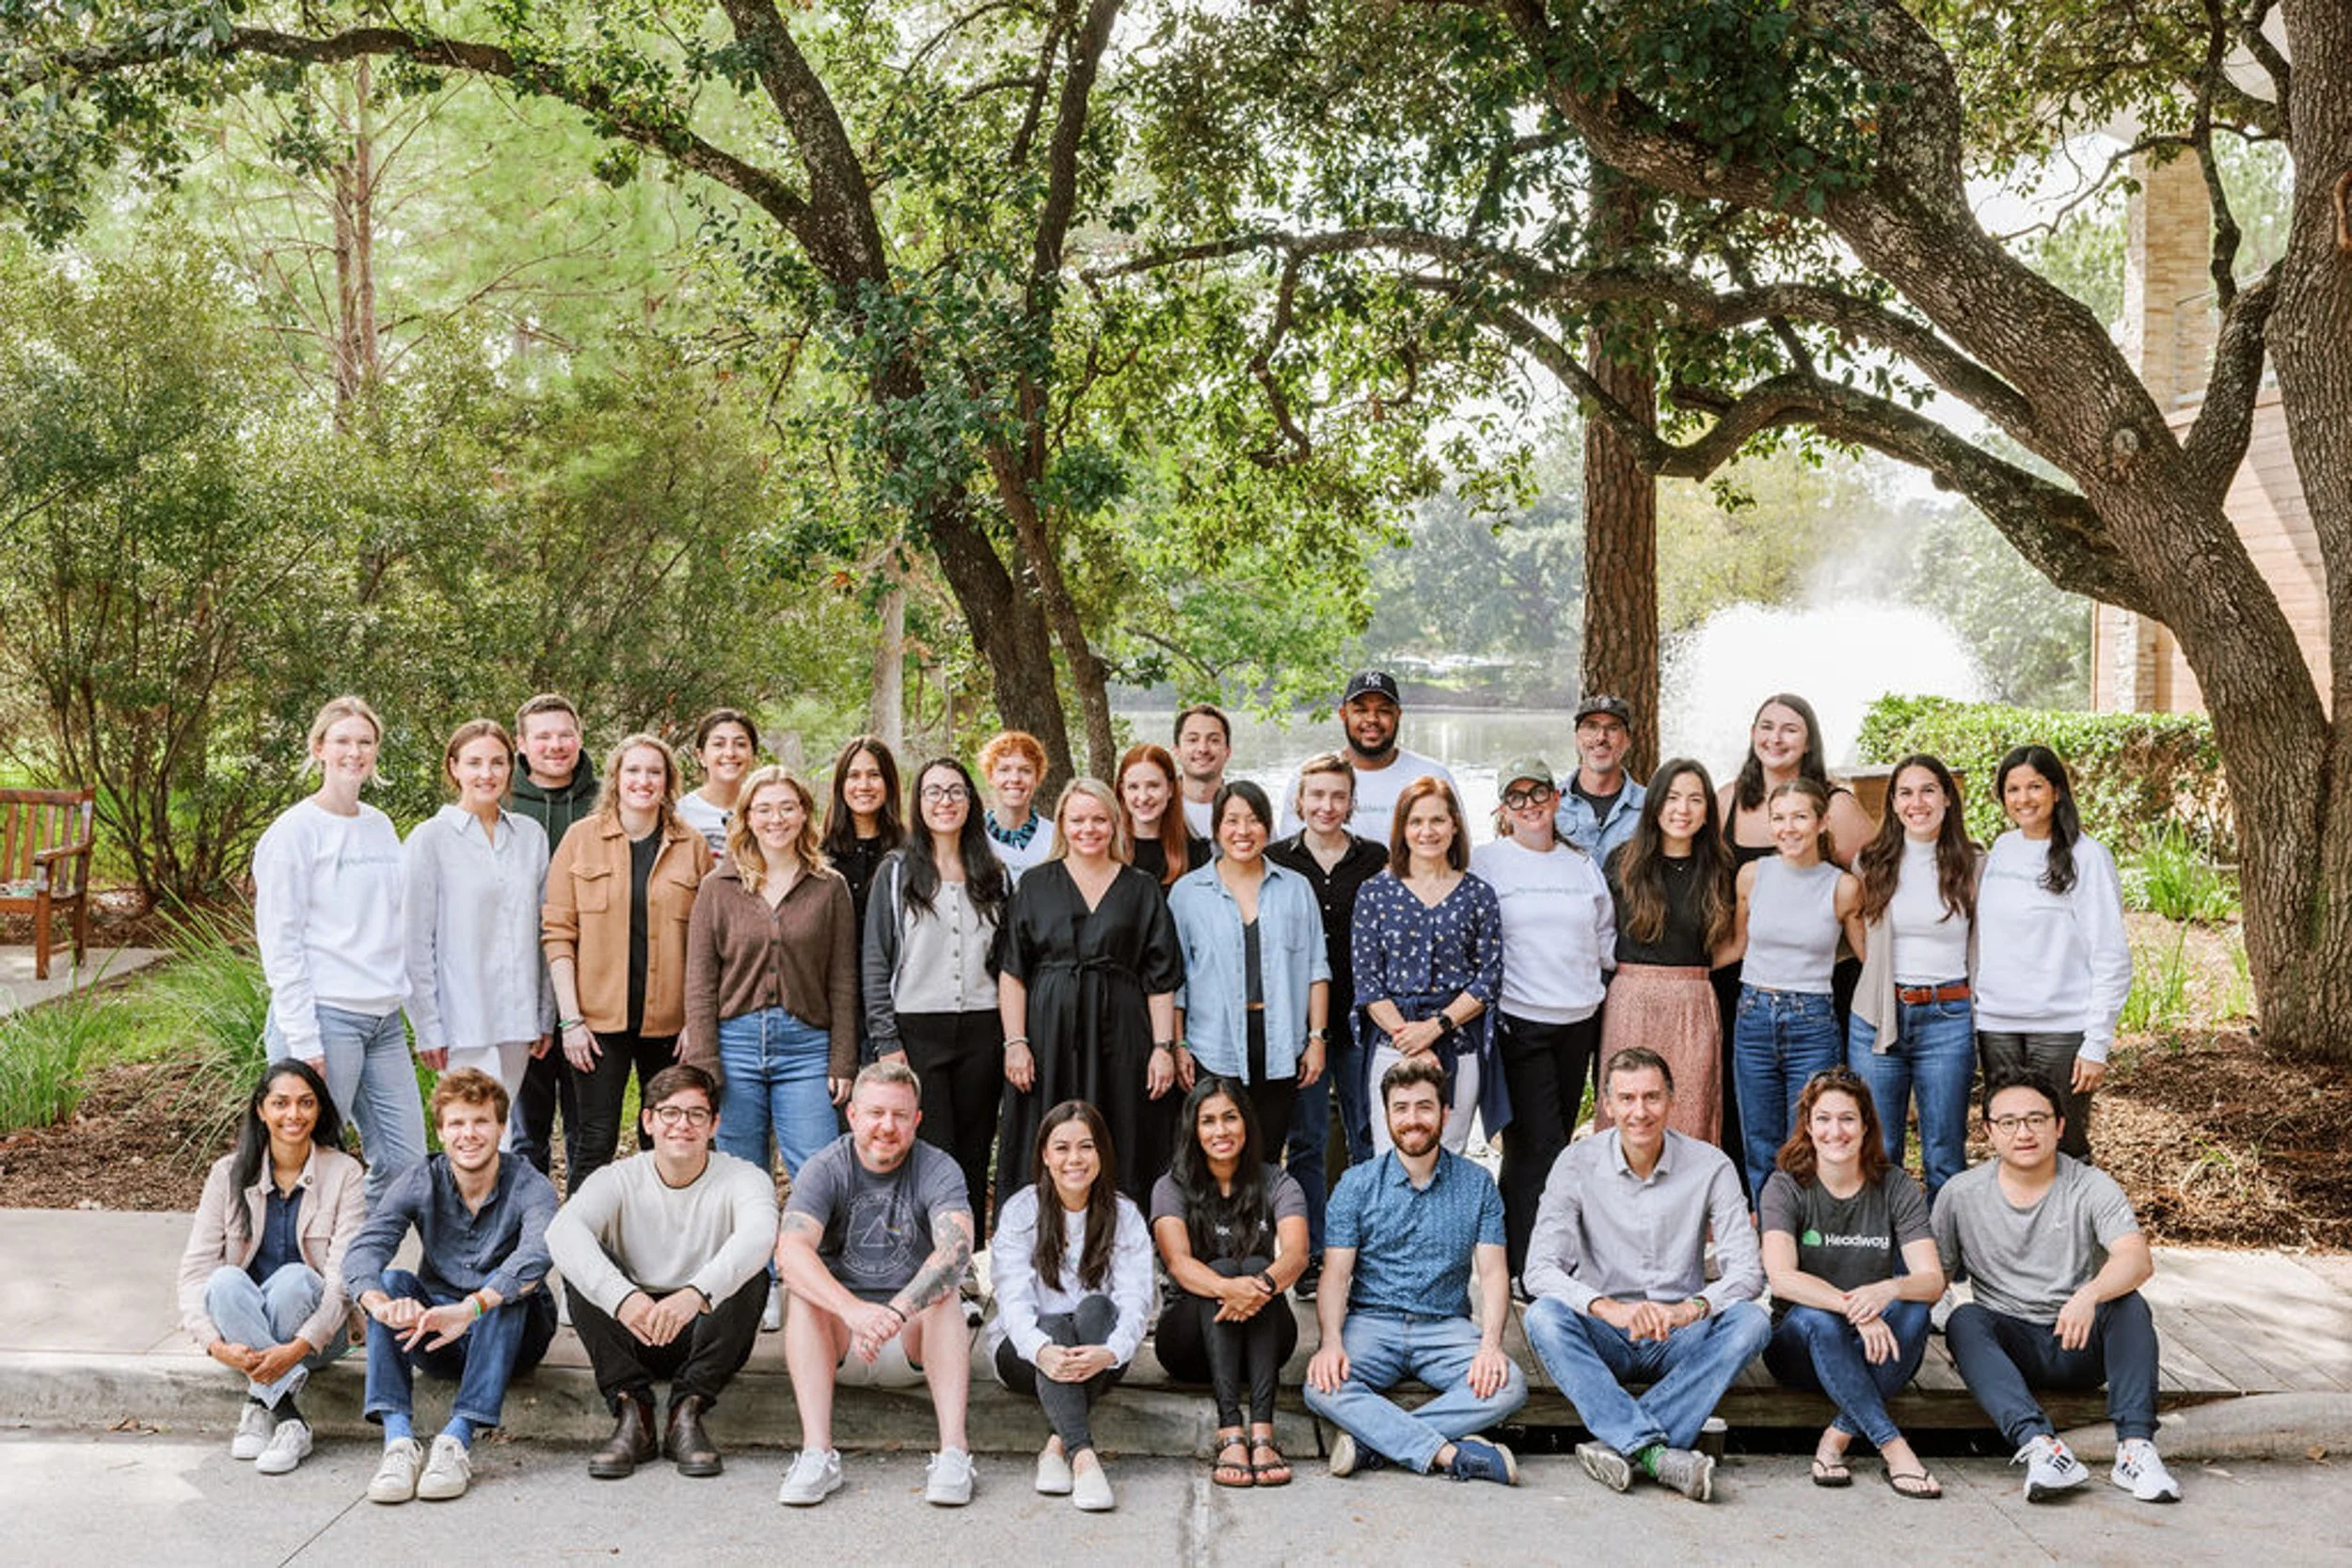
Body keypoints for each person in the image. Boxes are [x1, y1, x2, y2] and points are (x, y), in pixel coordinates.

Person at [1521, 1047, 1771, 1503]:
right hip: (1606, 1330)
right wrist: (1605, 1307)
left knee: (1752, 1322)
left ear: (1671, 1101)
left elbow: (1747, 1272)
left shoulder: (1711, 1165)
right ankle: (1654, 1453)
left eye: (1652, 1097)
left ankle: (1620, 1442)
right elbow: (1538, 1270)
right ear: (1608, 1105)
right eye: (1628, 1098)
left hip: (1680, 1334)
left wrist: (1691, 1309)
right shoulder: (1575, 1164)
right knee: (1543, 1318)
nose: (1640, 1111)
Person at [1934, 1069, 2179, 1504]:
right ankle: (2043, 1449)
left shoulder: (2090, 1185)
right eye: (2008, 1122)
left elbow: (2137, 1259)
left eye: (2036, 1119)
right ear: (1989, 1130)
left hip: (2078, 1341)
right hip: (2012, 1346)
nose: (2023, 1133)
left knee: (2129, 1305)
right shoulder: (1960, 1194)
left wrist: (2089, 1295)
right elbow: (1932, 1276)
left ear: (2059, 1125)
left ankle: (2136, 1449)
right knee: (1964, 1319)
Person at [684, 765, 856, 1331]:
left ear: (804, 813)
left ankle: (802, 1281)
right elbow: (700, 981)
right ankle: (751, 1285)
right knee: (744, 1174)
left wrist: (842, 1059)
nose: (776, 818)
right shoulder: (719, 887)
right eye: (764, 808)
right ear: (746, 816)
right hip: (734, 1042)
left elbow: (843, 980)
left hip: (807, 1044)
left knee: (813, 1168)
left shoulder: (829, 888)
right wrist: (704, 1064)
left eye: (787, 807)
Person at [545, 1064, 775, 1480]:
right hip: (632, 1328)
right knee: (583, 1265)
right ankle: (634, 1412)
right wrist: (623, 1297)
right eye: (670, 1112)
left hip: (703, 1330)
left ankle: (688, 1412)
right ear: (648, 1120)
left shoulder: (743, 1178)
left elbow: (761, 1234)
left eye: (696, 1114)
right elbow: (562, 1231)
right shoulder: (617, 1178)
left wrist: (696, 1294)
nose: (682, 1125)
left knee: (751, 1275)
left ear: (714, 1124)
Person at [1303, 1056, 1525, 1483]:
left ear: (1445, 1113)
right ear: (1386, 1117)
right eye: (1400, 1108)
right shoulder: (1356, 1184)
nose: (1412, 1119)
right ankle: (1446, 1453)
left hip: (1445, 1328)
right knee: (1320, 1384)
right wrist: (1331, 1342)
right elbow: (1335, 1276)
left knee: (1509, 1384)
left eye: (1424, 1107)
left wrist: (1491, 1345)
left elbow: (1494, 1273)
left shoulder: (1477, 1183)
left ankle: (1372, 1443)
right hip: (1372, 1324)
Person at [345, 1069, 560, 1504]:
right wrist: (380, 1305)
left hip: (512, 1337)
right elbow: (365, 1249)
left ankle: (456, 1441)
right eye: (457, 1123)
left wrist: (472, 1307)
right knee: (389, 1282)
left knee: (512, 1288)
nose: (470, 1134)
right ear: (441, 1132)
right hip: (438, 1333)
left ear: (501, 1127)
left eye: (481, 1122)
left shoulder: (530, 1184)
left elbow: (537, 1254)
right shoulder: (420, 1178)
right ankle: (399, 1443)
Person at [775, 1062, 978, 1508]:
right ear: (852, 1115)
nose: (887, 1126)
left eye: (900, 1115)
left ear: (917, 1120)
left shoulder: (938, 1168)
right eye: (876, 1113)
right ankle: (817, 1454)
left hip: (912, 1337)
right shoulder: (825, 1167)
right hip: (842, 1339)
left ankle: (953, 1452)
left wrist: (896, 1312)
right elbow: (789, 1252)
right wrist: (852, 1310)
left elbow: (956, 1250)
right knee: (805, 1296)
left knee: (944, 1296)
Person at [252, 694, 425, 1207]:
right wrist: (305, 1040)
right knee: (311, 1159)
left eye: (365, 742)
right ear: (319, 748)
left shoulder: (379, 825)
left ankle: (355, 1267)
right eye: (343, 741)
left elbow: (390, 925)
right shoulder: (294, 832)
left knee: (404, 1160)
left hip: (383, 1022)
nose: (355, 752)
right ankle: (302, 1279)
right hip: (325, 1019)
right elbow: (280, 943)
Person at [1758, 1068, 1946, 1499]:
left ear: (1866, 1125)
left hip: (1874, 1349)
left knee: (1916, 1309)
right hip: (1800, 1349)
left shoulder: (1894, 1184)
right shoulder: (1785, 1186)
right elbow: (1782, 1278)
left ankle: (1836, 1438)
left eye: (1847, 1119)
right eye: (1823, 1119)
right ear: (1808, 1125)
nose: (1835, 1131)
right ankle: (1894, 1448)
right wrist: (1853, 1308)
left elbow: (1931, 1279)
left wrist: (1889, 1290)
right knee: (1817, 1320)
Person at [997, 779, 1185, 1207]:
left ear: (1115, 823)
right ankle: (1041, 1237)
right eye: (1078, 819)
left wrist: (1162, 1048)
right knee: (1049, 1129)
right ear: (1062, 822)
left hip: (1121, 1033)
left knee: (1123, 1129)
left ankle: (1126, 1240)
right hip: (1049, 1034)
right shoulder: (1035, 883)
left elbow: (1160, 977)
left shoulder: (1141, 887)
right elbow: (1013, 972)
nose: (1089, 828)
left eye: (1099, 819)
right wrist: (1016, 1042)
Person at [176, 1059, 364, 1478]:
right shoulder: (226, 1174)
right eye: (280, 1103)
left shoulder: (344, 1173)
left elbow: (343, 1280)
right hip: (241, 1329)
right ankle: (290, 1419)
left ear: (319, 1110)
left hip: (317, 1336)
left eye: (305, 1103)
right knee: (223, 1280)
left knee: (295, 1279)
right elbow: (194, 1272)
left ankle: (260, 1405)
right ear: (261, 1110)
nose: (293, 1115)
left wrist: (297, 1347)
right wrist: (214, 1344)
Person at [543, 733, 713, 1188]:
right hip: (596, 1025)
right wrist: (570, 1021)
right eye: (633, 771)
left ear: (668, 781)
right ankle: (580, 1252)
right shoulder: (581, 840)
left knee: (667, 1140)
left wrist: (696, 1020)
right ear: (616, 779)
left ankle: (664, 1247)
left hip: (671, 1026)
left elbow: (707, 942)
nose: (643, 781)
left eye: (654, 772)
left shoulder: (691, 845)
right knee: (594, 1140)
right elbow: (558, 935)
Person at [1714, 692, 1870, 1186]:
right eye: (1766, 726)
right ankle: (1762, 1239)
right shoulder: (1734, 816)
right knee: (1753, 1134)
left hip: (1816, 1004)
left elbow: (1883, 877)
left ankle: (1805, 1237)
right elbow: (1733, 939)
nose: (1775, 738)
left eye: (1789, 729)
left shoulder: (1839, 835)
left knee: (1811, 1133)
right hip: (1750, 1002)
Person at [1471, 756, 1614, 1284]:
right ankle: (1528, 1266)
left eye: (1539, 795)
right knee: (1538, 1143)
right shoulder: (1488, 862)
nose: (1529, 806)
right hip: (1520, 1021)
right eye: (1517, 797)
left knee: (1547, 1144)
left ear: (1557, 799)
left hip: (1578, 1020)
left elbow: (1605, 941)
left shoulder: (1581, 865)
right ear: (1503, 809)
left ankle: (1533, 1258)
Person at [866, 757, 1010, 1230]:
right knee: (931, 1148)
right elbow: (876, 962)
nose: (944, 801)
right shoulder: (896, 872)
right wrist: (887, 1042)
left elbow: (1008, 960)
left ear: (970, 802)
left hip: (983, 1028)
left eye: (955, 792)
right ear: (917, 802)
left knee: (974, 1147)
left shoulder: (995, 873)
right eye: (933, 792)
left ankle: (970, 1260)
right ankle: (926, 1255)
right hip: (917, 1028)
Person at [988, 1101, 1152, 1513]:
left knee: (1097, 1308)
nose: (1074, 1159)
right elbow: (1012, 1300)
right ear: (1045, 1155)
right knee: (1054, 1327)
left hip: (1099, 1354)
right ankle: (1084, 1455)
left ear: (1101, 1153)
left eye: (1086, 1147)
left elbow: (1135, 1301)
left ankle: (1057, 1446)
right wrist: (1042, 1350)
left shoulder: (1125, 1215)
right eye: (1061, 1148)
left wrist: (1112, 1351)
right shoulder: (1022, 1211)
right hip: (1023, 1355)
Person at [1267, 752, 1391, 1287]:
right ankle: (1313, 1252)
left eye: (1338, 796)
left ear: (1351, 802)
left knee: (1368, 1136)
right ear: (1299, 801)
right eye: (1316, 795)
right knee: (1310, 1139)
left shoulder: (1375, 858)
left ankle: (1366, 1250)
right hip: (1301, 1023)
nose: (1327, 806)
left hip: (1364, 1018)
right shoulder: (1277, 859)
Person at [1152, 1078, 1311, 1489]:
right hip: (1188, 1345)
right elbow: (1179, 1263)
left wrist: (1256, 1285)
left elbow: (1295, 1256)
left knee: (1258, 1262)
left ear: (1247, 1123)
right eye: (1208, 1121)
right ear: (1193, 1129)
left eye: (1229, 1118)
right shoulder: (1171, 1186)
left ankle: (1262, 1432)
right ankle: (1229, 1429)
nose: (1220, 1131)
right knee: (1222, 1269)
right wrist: (1231, 1288)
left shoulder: (1277, 1181)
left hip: (1262, 1343)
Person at [1975, 746, 2133, 1161]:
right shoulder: (2002, 850)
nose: (2023, 798)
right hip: (1997, 1025)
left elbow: (2110, 955)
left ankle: (2074, 1225)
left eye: (2034, 787)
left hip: (2061, 1028)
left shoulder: (2088, 856)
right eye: (2012, 789)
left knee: (2064, 1145)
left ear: (2057, 791)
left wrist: (2097, 1041)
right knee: (2013, 1144)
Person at [404, 719, 554, 1129]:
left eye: (497, 762)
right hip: (462, 1019)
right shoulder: (429, 839)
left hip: (518, 1018)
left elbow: (545, 934)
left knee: (500, 1130)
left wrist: (544, 1014)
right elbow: (415, 942)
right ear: (454, 768)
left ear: (512, 768)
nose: (486, 774)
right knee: (471, 1130)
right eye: (474, 763)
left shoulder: (530, 836)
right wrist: (427, 1028)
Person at [1848, 752, 1979, 1203]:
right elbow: (1857, 938)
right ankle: (1889, 1255)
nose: (1916, 802)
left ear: (1947, 798)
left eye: (1927, 790)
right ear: (1893, 802)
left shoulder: (1974, 865)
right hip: (1878, 1016)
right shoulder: (1871, 864)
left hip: (1948, 1016)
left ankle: (1944, 1257)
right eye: (1905, 792)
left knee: (1943, 1149)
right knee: (1880, 1151)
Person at [1169, 781, 1329, 1148]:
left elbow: (1316, 969)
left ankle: (1266, 1209)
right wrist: (1178, 1044)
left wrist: (1316, 1038)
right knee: (1216, 1151)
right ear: (1217, 828)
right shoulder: (1187, 893)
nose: (1243, 831)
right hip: (1212, 1043)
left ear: (1268, 827)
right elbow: (1176, 979)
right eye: (1232, 821)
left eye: (1254, 820)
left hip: (1280, 1041)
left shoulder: (1295, 888)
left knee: (1269, 1150)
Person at [1352, 776, 1502, 1155]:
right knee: (1393, 1154)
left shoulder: (1478, 894)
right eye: (1416, 821)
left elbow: (1488, 977)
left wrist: (1436, 1028)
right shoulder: (1375, 892)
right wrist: (1412, 1040)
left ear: (1454, 825)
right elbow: (1367, 981)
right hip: (1394, 1043)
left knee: (1448, 1151)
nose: (1427, 831)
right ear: (1402, 829)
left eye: (1437, 820)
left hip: (1457, 1042)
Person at [1600, 758, 1738, 1144]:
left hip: (1693, 1001)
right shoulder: (1624, 862)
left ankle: (1688, 1202)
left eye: (1695, 799)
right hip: (1631, 997)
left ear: (1708, 809)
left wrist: (1691, 975)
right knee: (1628, 1108)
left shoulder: (1719, 868)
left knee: (1690, 1109)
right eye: (1673, 797)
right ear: (1655, 803)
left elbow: (1731, 943)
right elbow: (1601, 932)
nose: (1683, 809)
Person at [507, 692, 599, 1184]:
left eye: (565, 734)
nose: (556, 745)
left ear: (580, 738)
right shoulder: (499, 800)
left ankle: (581, 1243)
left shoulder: (605, 799)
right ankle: (529, 1236)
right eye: (542, 736)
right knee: (528, 1128)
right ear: (522, 744)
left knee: (586, 1125)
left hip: (592, 985)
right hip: (522, 985)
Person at [1281, 670, 1456, 840]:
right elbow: (1288, 853)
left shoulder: (1433, 776)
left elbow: (1460, 853)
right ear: (1344, 715)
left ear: (1398, 715)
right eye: (1361, 710)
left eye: (1383, 711)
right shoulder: (1310, 775)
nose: (1372, 719)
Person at [818, 733, 907, 977]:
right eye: (854, 776)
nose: (864, 785)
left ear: (889, 782)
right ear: (840, 785)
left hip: (894, 988)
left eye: (874, 775)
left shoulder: (909, 853)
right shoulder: (818, 853)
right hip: (832, 987)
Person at [1554, 695, 1646, 863]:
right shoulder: (1549, 804)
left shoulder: (1651, 808)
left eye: (1613, 728)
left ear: (1628, 740)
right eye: (1591, 727)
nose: (1601, 737)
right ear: (1577, 737)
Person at [1118, 742, 1209, 889]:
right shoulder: (1107, 852)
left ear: (1170, 789)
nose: (1143, 797)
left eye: (1153, 786)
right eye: (1133, 787)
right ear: (1122, 791)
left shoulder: (1197, 855)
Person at [675, 707, 758, 860]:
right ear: (700, 756)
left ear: (753, 755)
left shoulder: (765, 810)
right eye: (719, 744)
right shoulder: (681, 813)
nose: (730, 753)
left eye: (740, 744)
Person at [978, 729, 1053, 884]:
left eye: (1025, 770)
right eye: (1004, 770)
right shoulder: (973, 835)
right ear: (990, 776)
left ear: (1037, 778)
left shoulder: (1055, 837)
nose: (1015, 779)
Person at [1173, 704, 1233, 839]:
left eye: (1214, 740)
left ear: (1227, 752)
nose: (1203, 749)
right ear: (1177, 750)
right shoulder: (1160, 808)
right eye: (1193, 740)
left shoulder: (1248, 809)